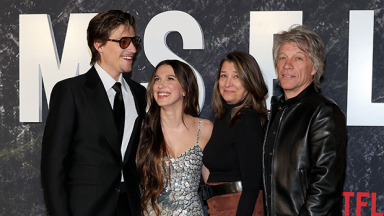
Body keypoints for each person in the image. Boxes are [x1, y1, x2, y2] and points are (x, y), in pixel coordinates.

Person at [40, 10, 146, 216]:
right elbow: (53, 167)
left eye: (134, 41)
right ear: (99, 45)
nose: (132, 49)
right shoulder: (71, 91)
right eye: (124, 42)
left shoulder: (139, 93)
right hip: (86, 209)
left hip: (129, 207)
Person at [263, 24, 347, 216]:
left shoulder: (324, 112)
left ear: (314, 68)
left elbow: (325, 188)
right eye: (282, 57)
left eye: (298, 58)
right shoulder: (278, 111)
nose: (287, 65)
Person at [136, 60, 213, 216]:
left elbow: (213, 184)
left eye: (170, 78)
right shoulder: (142, 129)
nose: (160, 85)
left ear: (185, 88)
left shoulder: (204, 129)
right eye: (157, 79)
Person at [202, 51, 268, 216]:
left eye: (236, 77)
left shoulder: (248, 120)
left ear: (250, 82)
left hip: (239, 208)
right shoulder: (224, 118)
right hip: (219, 208)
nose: (228, 83)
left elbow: (252, 186)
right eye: (224, 75)